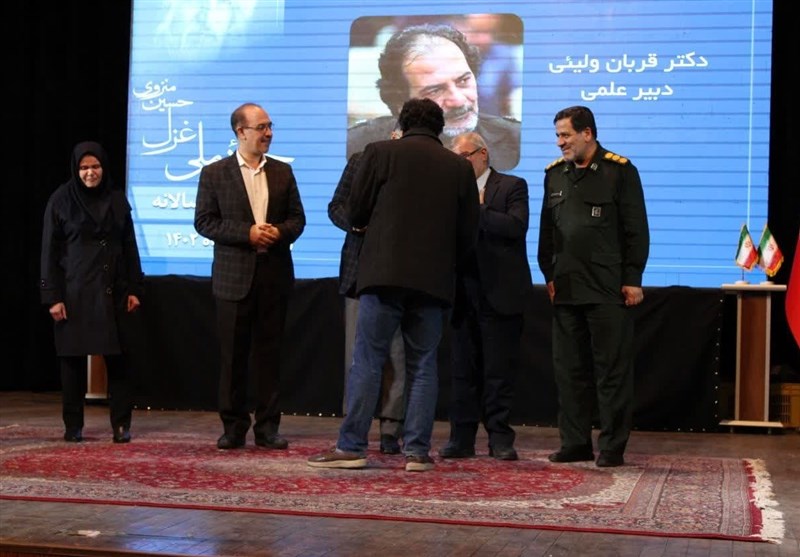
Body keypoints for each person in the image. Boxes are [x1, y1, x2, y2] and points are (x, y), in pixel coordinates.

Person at [308, 98, 479, 472]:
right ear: (440, 127)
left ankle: (352, 447)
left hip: (382, 277)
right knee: (423, 365)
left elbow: (355, 211)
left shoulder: (379, 152)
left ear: (403, 122)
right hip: (433, 282)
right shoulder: (458, 166)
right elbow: (469, 233)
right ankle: (417, 453)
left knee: (368, 361)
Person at [537, 106, 649, 468]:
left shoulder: (620, 171)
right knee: (569, 372)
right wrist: (548, 274)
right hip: (566, 288)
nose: (560, 142)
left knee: (611, 372)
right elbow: (547, 231)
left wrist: (632, 278)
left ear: (587, 133)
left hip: (608, 289)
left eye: (566, 135)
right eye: (558, 135)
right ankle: (575, 444)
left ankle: (612, 447)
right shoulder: (555, 174)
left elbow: (636, 230)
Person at [194, 102, 306, 451]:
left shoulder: (283, 172)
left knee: (269, 357)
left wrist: (279, 233)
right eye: (262, 127)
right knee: (233, 358)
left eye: (270, 126)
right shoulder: (214, 173)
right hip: (233, 279)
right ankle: (233, 427)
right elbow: (204, 222)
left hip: (274, 276)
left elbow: (297, 219)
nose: (268, 133)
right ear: (240, 132)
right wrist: (248, 234)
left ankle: (268, 427)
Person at [40, 141, 144, 443]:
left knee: (119, 361)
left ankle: (121, 425)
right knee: (71, 361)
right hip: (73, 292)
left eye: (95, 166)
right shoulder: (60, 200)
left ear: (104, 167)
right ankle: (73, 425)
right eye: (84, 167)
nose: (90, 173)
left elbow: (129, 246)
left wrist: (135, 287)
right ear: (76, 169)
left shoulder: (117, 199)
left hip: (115, 290)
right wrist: (53, 297)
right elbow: (49, 252)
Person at [440, 131, 531, 461]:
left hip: (500, 293)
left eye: (463, 156)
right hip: (462, 294)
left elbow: (515, 226)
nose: (459, 163)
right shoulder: (450, 192)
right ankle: (461, 439)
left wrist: (477, 209)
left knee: (498, 371)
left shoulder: (512, 186)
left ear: (482, 154)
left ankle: (500, 438)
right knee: (462, 371)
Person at [347, 23, 520, 171]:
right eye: (435, 91)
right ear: (401, 103)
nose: (458, 100)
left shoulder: (517, 139)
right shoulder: (356, 147)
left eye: (463, 81)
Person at [328, 134, 406, 455]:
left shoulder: (417, 166)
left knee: (398, 357)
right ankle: (354, 426)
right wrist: (358, 225)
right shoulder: (359, 161)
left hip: (402, 274)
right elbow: (336, 208)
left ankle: (391, 429)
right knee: (357, 357)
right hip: (359, 272)